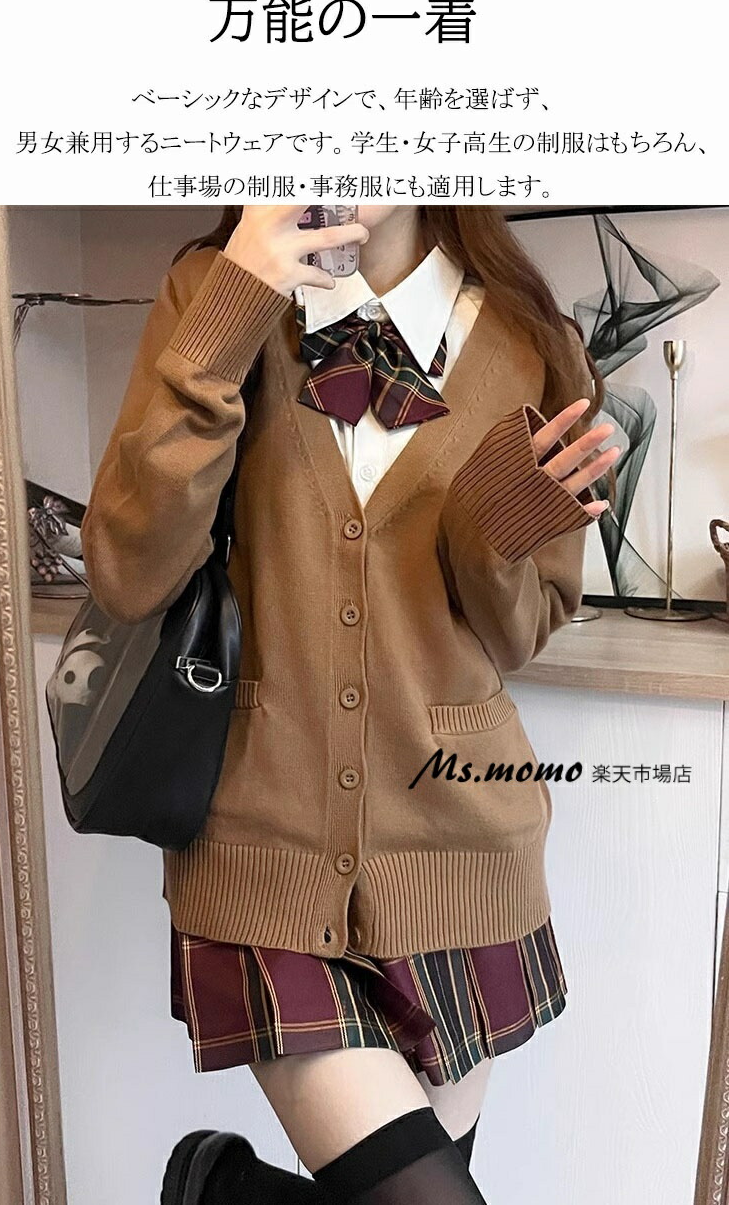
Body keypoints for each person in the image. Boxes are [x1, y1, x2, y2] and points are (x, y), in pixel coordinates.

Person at [80, 205, 618, 1204]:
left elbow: (518, 631)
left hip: (461, 856)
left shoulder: (529, 339)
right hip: (266, 854)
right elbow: (128, 572)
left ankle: (224, 1190)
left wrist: (496, 529)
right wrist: (237, 303)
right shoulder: (216, 291)